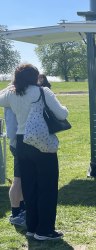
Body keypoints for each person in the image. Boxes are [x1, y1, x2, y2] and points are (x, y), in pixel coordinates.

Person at [0, 64, 68, 240]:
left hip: (22, 142)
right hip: (41, 142)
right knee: (47, 187)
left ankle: (32, 227)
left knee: (29, 187)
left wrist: (11, 85)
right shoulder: (42, 92)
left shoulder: (11, 93)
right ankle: (44, 230)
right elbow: (62, 114)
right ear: (35, 77)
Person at [5, 107, 26, 227]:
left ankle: (21, 209)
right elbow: (12, 129)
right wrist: (17, 143)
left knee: (22, 179)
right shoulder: (10, 97)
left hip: (20, 143)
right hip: (19, 144)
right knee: (18, 179)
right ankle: (16, 214)